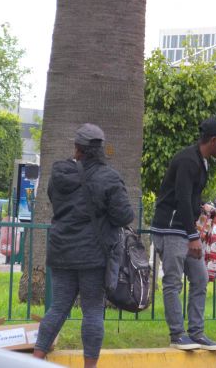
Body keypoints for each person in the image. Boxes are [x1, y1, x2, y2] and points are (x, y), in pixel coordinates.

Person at [33, 123, 135, 368]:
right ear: (100, 149)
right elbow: (124, 216)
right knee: (92, 311)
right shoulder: (108, 177)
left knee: (58, 307)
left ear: (77, 148)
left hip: (61, 252)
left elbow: (54, 201)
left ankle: (35, 360)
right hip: (93, 256)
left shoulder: (59, 172)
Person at [149, 116, 216, 351]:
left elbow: (190, 196)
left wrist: (203, 205)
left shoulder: (202, 161)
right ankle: (177, 335)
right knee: (173, 281)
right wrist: (192, 236)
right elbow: (182, 198)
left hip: (183, 228)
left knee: (200, 278)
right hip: (171, 229)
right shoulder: (187, 160)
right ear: (213, 140)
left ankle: (196, 333)